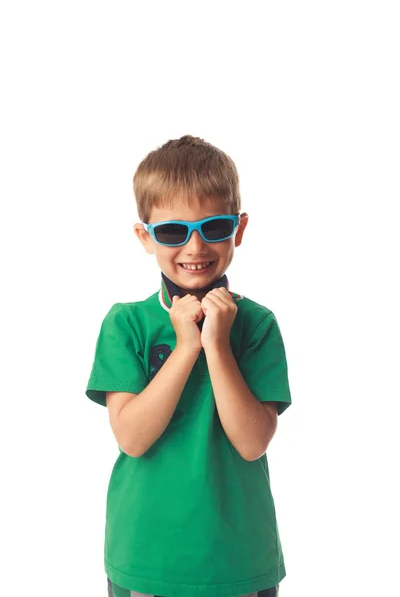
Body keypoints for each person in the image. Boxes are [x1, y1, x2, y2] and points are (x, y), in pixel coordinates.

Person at [86, 135, 292, 597]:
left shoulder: (257, 324)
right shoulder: (126, 323)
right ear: (146, 237)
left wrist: (216, 346)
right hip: (145, 552)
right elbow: (132, 438)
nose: (196, 247)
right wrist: (185, 348)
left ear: (238, 229)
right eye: (174, 232)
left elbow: (253, 442)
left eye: (214, 227)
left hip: (238, 554)